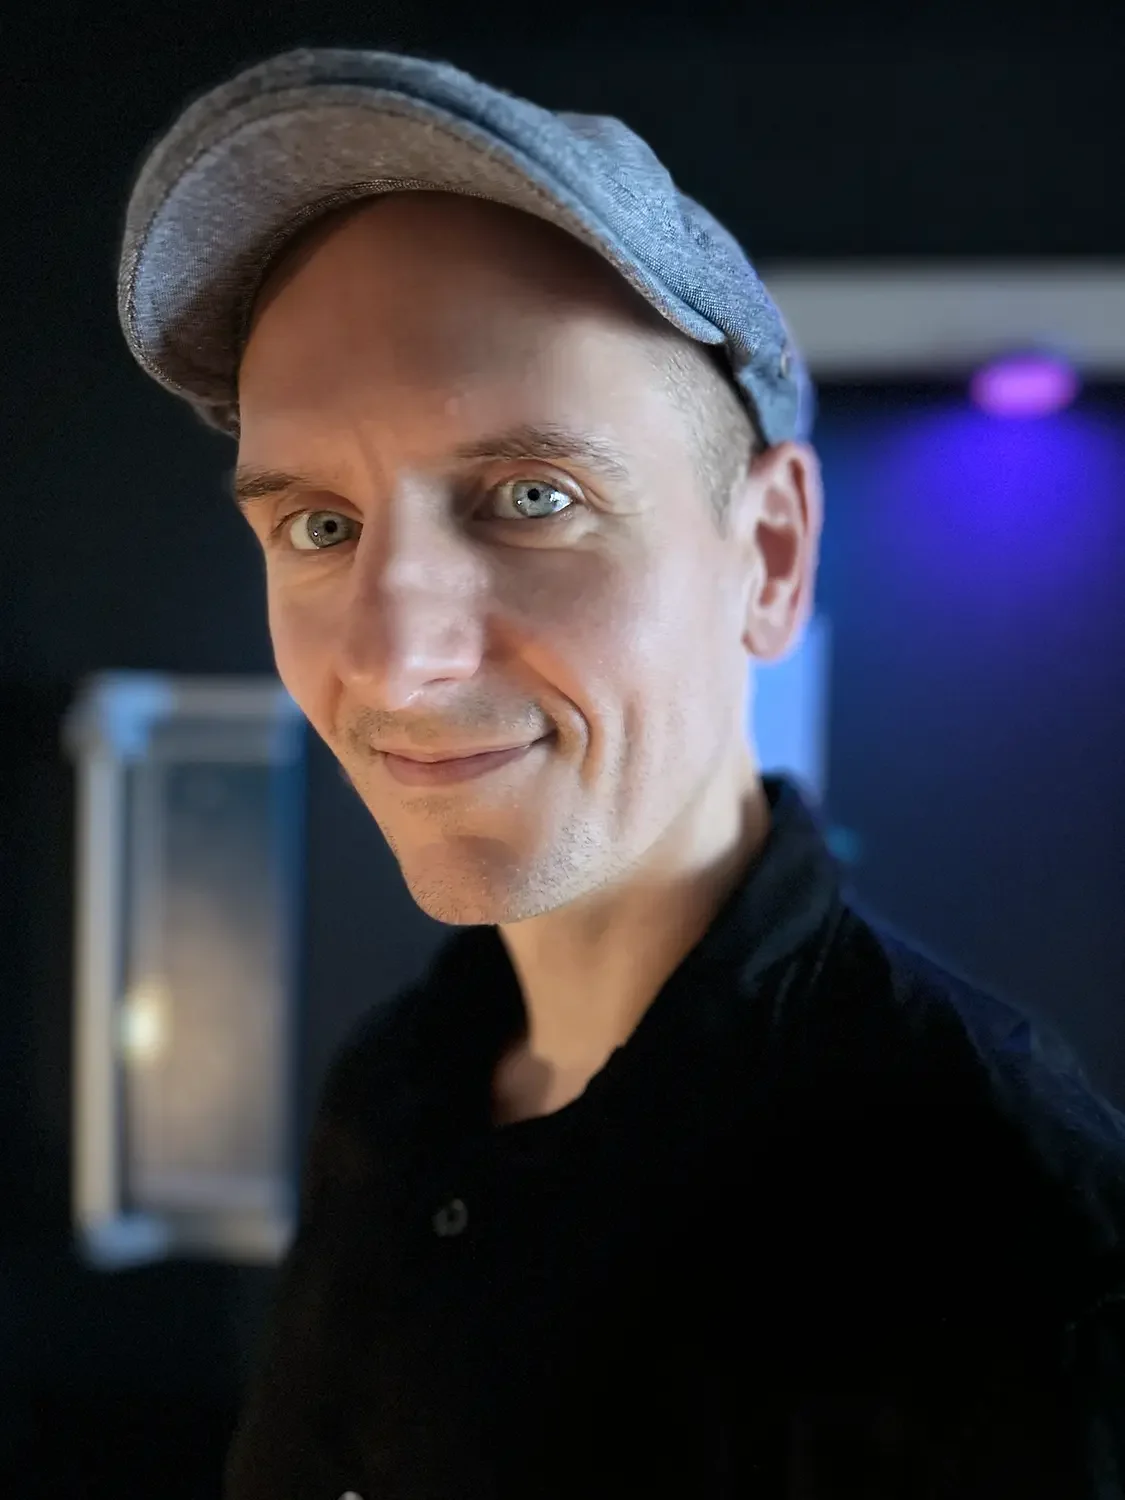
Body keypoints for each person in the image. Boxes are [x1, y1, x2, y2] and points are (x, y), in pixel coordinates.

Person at [117, 46, 1125, 1500]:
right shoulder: (395, 1091)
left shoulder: (1018, 1238)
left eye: (535, 500)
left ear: (767, 557)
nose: (397, 664)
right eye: (318, 528)